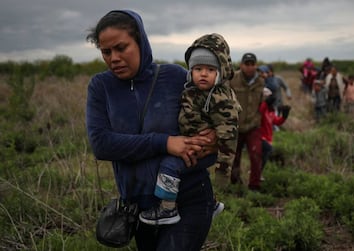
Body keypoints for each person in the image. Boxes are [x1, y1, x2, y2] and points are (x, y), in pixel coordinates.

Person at [86, 10, 218, 250]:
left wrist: (212, 138)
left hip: (188, 198)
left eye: (121, 47)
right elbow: (101, 144)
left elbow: (213, 129)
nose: (114, 58)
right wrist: (165, 142)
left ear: (141, 42)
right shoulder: (100, 87)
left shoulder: (176, 77)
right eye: (106, 52)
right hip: (139, 208)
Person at [139, 33, 241, 225]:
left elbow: (229, 135)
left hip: (203, 147)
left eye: (210, 69)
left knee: (170, 166)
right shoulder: (192, 90)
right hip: (191, 142)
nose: (203, 74)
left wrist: (223, 169)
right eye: (198, 68)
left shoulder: (221, 99)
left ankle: (167, 209)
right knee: (192, 173)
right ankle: (209, 203)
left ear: (221, 71)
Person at [229, 52, 265, 190]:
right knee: (234, 156)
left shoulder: (260, 81)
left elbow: (261, 101)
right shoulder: (233, 79)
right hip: (235, 125)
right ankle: (234, 181)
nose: (250, 67)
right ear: (242, 65)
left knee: (256, 154)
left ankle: (254, 185)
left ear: (256, 65)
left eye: (252, 64)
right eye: (247, 64)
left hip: (253, 125)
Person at [259, 87, 290, 181]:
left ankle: (257, 173)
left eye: (269, 97)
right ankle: (255, 174)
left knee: (264, 156)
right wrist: (265, 103)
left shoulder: (270, 111)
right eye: (266, 97)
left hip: (268, 138)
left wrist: (284, 116)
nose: (269, 99)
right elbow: (260, 111)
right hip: (260, 137)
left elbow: (277, 121)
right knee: (267, 151)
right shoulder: (260, 109)